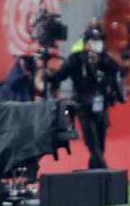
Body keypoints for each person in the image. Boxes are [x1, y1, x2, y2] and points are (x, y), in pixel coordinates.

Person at [49, 28, 124, 169]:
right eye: (93, 41)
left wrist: (102, 62)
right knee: (92, 141)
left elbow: (117, 71)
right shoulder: (76, 59)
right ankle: (104, 170)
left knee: (100, 143)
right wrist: (50, 78)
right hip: (83, 106)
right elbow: (61, 74)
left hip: (102, 105)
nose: (97, 44)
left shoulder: (105, 59)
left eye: (98, 41)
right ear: (86, 43)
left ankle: (94, 169)